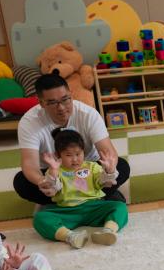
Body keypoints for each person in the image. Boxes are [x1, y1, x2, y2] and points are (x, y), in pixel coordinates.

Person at [13, 73, 129, 205]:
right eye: (52, 102)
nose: (61, 107)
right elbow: (30, 164)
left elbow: (108, 152)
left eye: (65, 99)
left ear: (71, 94)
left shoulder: (88, 114)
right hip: (56, 176)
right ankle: (95, 198)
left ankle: (71, 202)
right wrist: (43, 182)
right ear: (41, 103)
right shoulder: (29, 122)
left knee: (122, 166)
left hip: (89, 171)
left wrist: (109, 170)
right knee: (21, 181)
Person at [32, 129, 128, 248]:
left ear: (84, 152)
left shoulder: (92, 167)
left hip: (94, 207)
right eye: (68, 155)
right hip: (68, 211)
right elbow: (53, 188)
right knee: (40, 218)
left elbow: (105, 182)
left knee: (120, 207)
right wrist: (53, 171)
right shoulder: (55, 171)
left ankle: (108, 231)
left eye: (78, 154)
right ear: (58, 155)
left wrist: (110, 170)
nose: (75, 159)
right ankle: (71, 236)